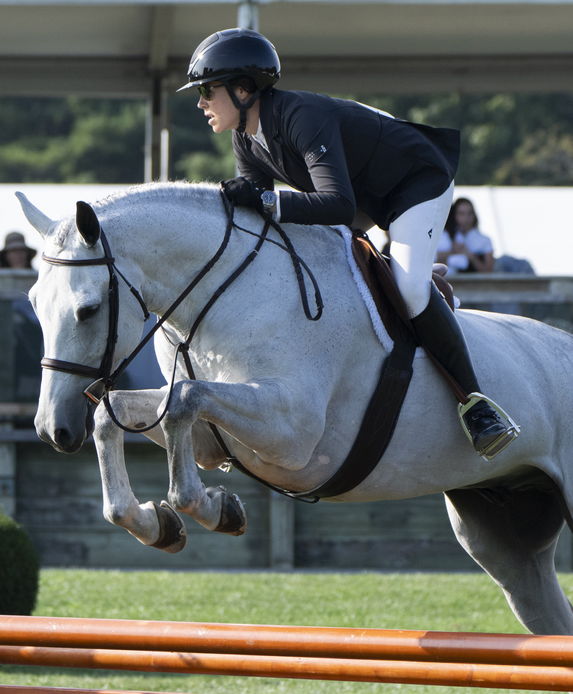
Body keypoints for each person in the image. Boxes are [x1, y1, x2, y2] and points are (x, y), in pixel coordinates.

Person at [183, 29, 517, 458]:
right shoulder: (246, 138)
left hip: (415, 184)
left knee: (410, 289)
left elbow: (337, 207)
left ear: (243, 89)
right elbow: (263, 223)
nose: (201, 103)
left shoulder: (299, 115)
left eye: (208, 91)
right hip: (366, 197)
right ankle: (406, 265)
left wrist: (266, 200)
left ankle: (478, 406)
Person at [437, 198, 494, 274]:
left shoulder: (485, 240)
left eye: (469, 213)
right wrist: (452, 251)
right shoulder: (444, 236)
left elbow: (489, 270)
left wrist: (470, 256)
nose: (466, 218)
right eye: (461, 214)